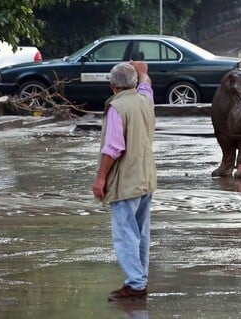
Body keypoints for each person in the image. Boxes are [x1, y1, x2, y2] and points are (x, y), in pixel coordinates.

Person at [92, 61, 157, 302]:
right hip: (146, 177)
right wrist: (143, 72)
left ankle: (136, 284)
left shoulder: (117, 108)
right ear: (134, 83)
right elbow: (147, 86)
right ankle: (139, 279)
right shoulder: (144, 100)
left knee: (125, 233)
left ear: (112, 85)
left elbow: (113, 148)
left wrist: (100, 179)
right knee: (140, 232)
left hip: (126, 181)